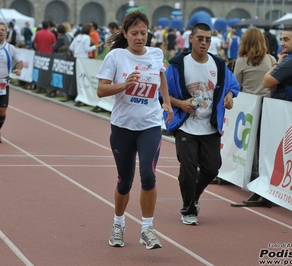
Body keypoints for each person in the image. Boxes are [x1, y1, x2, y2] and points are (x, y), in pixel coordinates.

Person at [96, 10, 173, 249]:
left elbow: (160, 75)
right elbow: (101, 90)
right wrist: (124, 85)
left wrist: (167, 101)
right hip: (123, 127)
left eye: (143, 33)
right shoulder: (116, 57)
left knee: (149, 176)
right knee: (125, 181)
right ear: (126, 34)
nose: (140, 37)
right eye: (135, 33)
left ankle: (147, 228)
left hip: (149, 124)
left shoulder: (156, 53)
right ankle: (118, 224)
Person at [164, 23, 239, 226]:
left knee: (212, 168)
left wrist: (230, 96)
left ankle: (193, 196)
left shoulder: (219, 65)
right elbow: (162, 94)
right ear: (191, 39)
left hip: (211, 126)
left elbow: (233, 85)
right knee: (187, 168)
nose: (204, 42)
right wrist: (181, 103)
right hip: (186, 125)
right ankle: (188, 209)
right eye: (200, 38)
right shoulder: (178, 65)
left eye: (207, 39)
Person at [233, 27, 276, 180]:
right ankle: (262, 173)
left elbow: (235, 84)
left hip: (247, 106)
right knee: (262, 140)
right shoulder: (271, 60)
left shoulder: (241, 62)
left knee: (246, 141)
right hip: (266, 105)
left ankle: (250, 170)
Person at [263, 26, 292, 102]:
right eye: (281, 39)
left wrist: (277, 63)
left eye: (286, 40)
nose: (282, 43)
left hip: (284, 109)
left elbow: (266, 82)